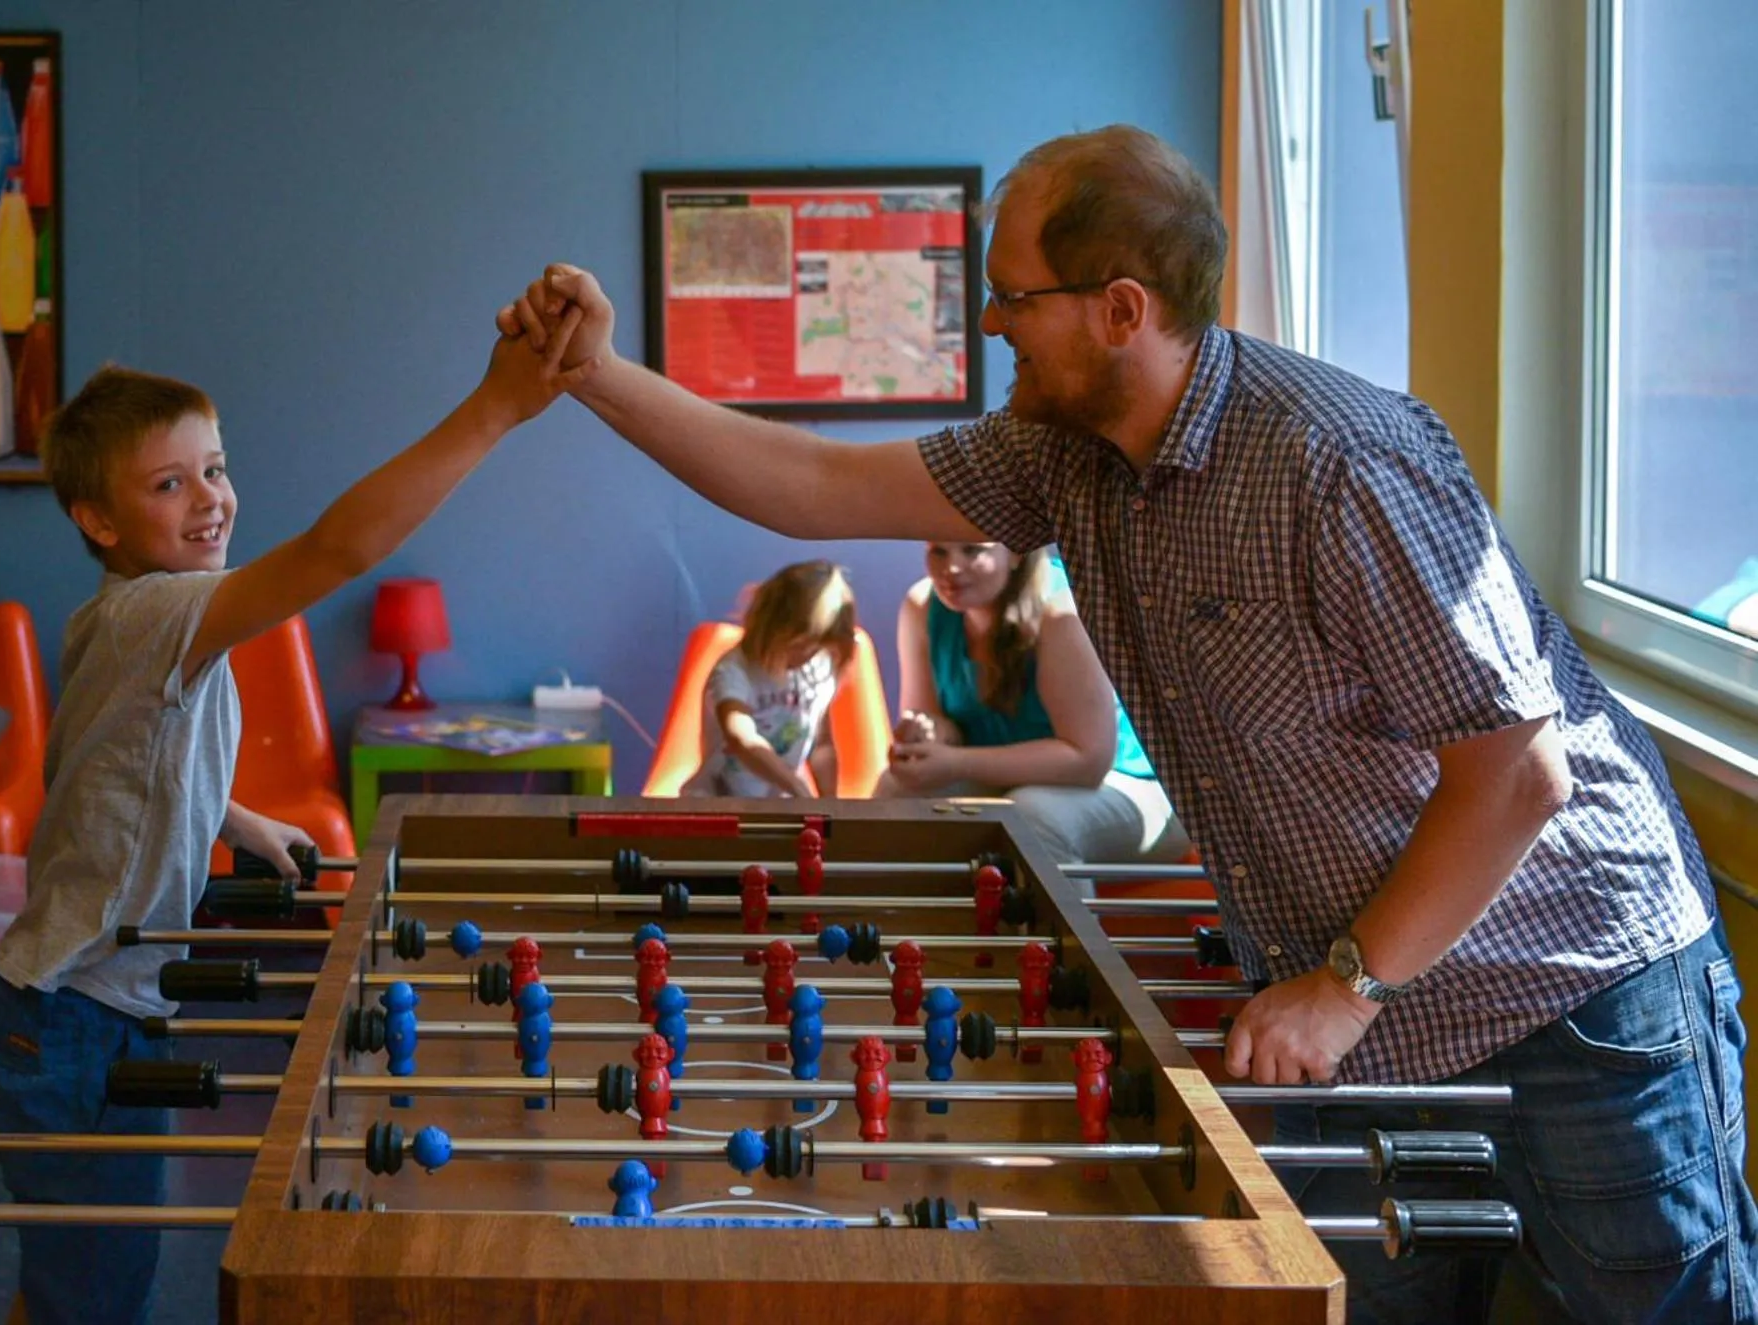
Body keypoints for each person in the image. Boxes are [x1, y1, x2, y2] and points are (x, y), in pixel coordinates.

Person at [499, 125, 1757, 1323]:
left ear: (1118, 309)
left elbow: (1517, 769)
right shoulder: (1060, 454)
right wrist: (595, 374)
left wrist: (1345, 984)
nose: (987, 322)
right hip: (1351, 1006)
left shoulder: (1337, 460)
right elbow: (810, 483)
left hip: (1565, 990)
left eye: (1011, 297)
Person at [0, 314, 592, 1325]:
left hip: (104, 1003)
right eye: (166, 483)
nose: (209, 498)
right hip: (70, 1016)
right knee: (92, 1293)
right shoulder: (159, 611)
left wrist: (243, 817)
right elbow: (336, 547)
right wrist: (494, 410)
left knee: (78, 1282)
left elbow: (122, 770)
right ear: (98, 518)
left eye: (213, 468)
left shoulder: (143, 618)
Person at [878, 539, 1188, 865]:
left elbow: (1087, 761)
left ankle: (1064, 918)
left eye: (972, 550)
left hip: (1138, 785)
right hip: (1016, 783)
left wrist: (954, 762)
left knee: (1032, 817)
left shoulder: (1062, 612)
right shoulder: (923, 604)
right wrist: (926, 734)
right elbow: (937, 722)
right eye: (938, 551)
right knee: (897, 790)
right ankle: (892, 915)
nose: (951, 568)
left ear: (1015, 551)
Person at [680, 559, 856, 799]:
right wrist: (794, 785)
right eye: (797, 646)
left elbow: (821, 745)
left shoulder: (818, 668)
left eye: (815, 648)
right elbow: (742, 738)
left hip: (780, 802)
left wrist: (830, 805)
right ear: (769, 626)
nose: (806, 656)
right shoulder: (733, 672)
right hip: (719, 800)